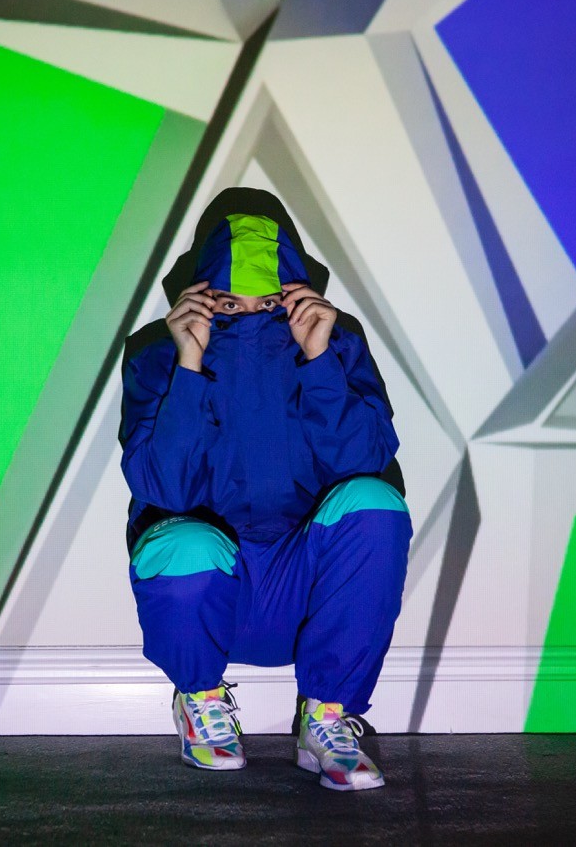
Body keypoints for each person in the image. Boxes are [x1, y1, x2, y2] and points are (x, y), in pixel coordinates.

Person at [118, 188, 413, 791]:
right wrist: (189, 367)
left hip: (305, 584)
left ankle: (327, 720)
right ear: (201, 295)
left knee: (377, 505)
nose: (250, 316)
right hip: (215, 592)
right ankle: (200, 702)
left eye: (269, 302)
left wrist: (319, 359)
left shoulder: (337, 341)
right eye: (229, 302)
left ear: (294, 294)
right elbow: (162, 485)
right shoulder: (156, 353)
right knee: (181, 542)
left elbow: (366, 460)